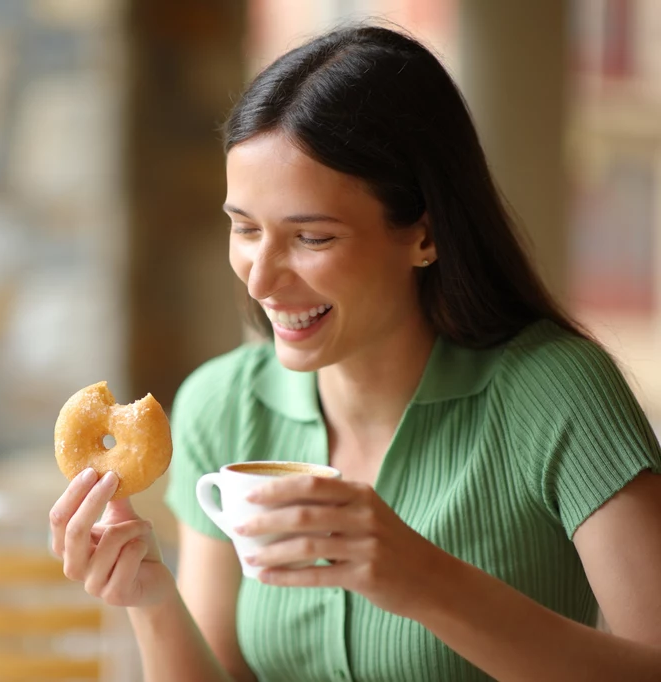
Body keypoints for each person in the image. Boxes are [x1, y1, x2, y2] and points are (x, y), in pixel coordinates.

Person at [49, 25, 661, 681]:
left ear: (424, 234)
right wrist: (151, 599)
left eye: (310, 237)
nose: (258, 279)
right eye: (245, 228)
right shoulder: (222, 404)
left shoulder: (557, 393)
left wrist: (421, 579)